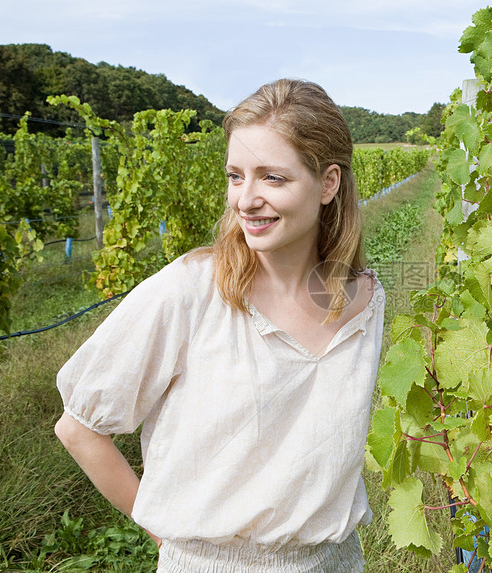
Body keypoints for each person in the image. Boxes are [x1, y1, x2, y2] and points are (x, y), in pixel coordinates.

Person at [54, 78, 385, 572]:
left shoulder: (368, 301)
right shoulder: (189, 292)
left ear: (329, 184)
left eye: (272, 178)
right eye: (236, 176)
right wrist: (175, 544)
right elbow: (79, 427)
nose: (245, 199)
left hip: (336, 562)